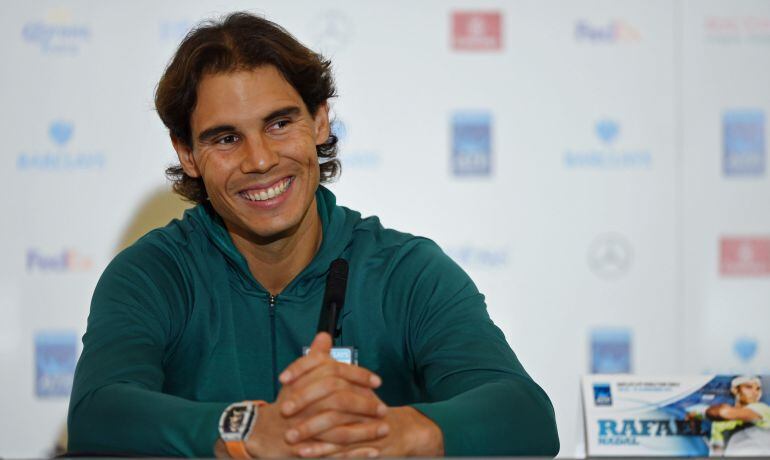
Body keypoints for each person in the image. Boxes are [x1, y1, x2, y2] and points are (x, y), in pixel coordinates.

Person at [67, 12, 559, 458]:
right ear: (188, 154)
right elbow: (97, 414)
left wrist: (395, 431)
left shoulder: (406, 270)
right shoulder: (152, 274)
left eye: (280, 123)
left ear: (320, 121)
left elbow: (526, 415)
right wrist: (246, 426)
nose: (259, 160)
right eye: (226, 138)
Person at [699, 376, 770, 456]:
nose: (755, 393)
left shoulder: (763, 409)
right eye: (748, 387)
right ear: (735, 390)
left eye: (758, 389)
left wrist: (700, 412)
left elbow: (723, 413)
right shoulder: (718, 424)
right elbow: (717, 452)